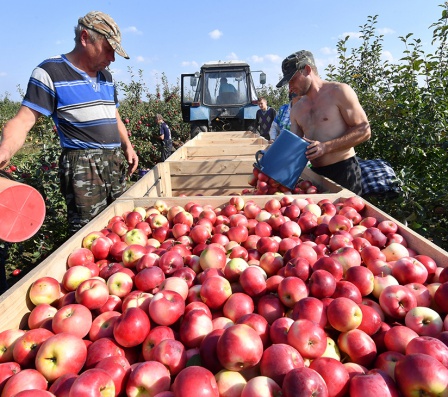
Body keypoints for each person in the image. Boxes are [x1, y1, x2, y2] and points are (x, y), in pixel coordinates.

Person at [0, 11, 138, 235]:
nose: (112, 58)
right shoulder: (50, 72)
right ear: (85, 38)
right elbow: (23, 121)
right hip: (84, 168)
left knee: (123, 226)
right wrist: (5, 149)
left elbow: (113, 115)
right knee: (89, 235)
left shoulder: (107, 77)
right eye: (108, 49)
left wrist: (127, 146)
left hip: (114, 163)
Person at [277, 50, 371, 195]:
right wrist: (275, 155)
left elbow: (364, 130)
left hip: (344, 172)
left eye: (292, 80)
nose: (290, 88)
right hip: (315, 177)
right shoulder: (297, 109)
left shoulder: (339, 92)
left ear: (307, 70)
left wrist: (326, 147)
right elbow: (294, 147)